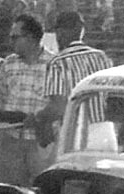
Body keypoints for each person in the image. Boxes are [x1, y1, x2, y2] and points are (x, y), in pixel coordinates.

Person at [30, 11, 112, 153]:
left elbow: (59, 107)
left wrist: (39, 117)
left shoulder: (58, 62)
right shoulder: (102, 57)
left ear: (60, 33)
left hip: (76, 136)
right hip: (105, 133)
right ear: (82, 31)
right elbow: (115, 100)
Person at [0, 14, 55, 186]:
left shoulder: (55, 64)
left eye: (15, 37)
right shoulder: (9, 63)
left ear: (31, 37)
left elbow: (58, 104)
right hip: (10, 140)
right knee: (10, 193)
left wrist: (39, 119)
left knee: (43, 190)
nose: (11, 41)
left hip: (41, 141)